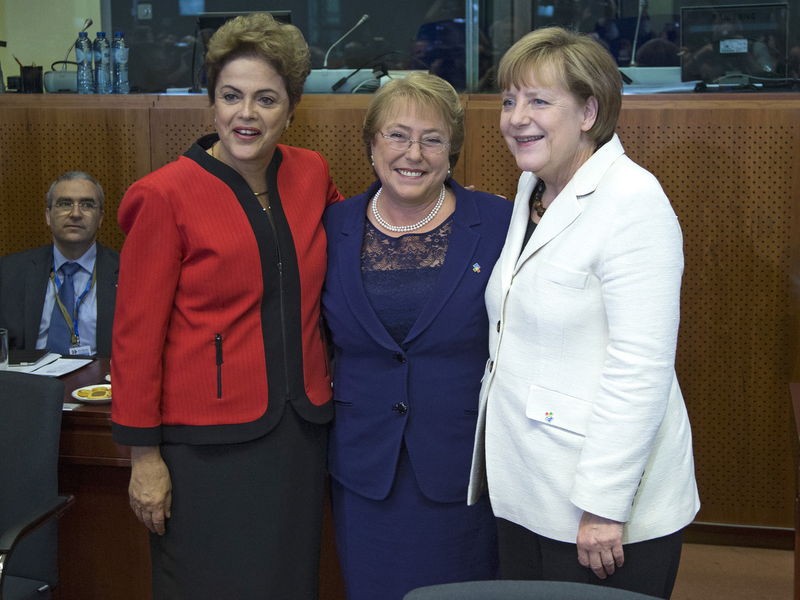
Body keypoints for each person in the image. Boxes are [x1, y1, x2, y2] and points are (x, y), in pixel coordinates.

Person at [110, 13, 342, 600]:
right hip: (204, 449)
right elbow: (135, 338)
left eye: (266, 99)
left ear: (291, 108)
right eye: (231, 96)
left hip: (298, 434)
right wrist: (145, 458)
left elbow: (358, 244)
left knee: (290, 584)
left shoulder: (311, 174)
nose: (247, 114)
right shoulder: (163, 196)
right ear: (210, 103)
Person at [467, 27, 700, 599]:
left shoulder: (633, 201)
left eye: (539, 101)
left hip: (602, 508)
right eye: (509, 100)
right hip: (529, 487)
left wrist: (602, 504)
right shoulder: (532, 188)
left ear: (590, 110)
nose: (516, 117)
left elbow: (640, 368)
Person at [322, 72, 511, 600]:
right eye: (397, 135)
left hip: (460, 472)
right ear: (371, 145)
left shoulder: (498, 222)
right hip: (365, 473)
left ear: (452, 150)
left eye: (432, 138)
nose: (414, 152)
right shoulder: (331, 226)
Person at [0, 171, 118, 357]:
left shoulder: (126, 272)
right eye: (65, 204)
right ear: (48, 215)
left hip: (99, 384)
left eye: (87, 205)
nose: (75, 213)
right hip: (32, 382)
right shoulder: (9, 272)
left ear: (101, 218)